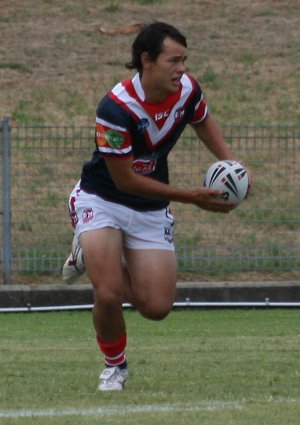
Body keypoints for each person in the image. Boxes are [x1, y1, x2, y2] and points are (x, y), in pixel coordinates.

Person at [63, 21, 250, 391]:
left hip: (149, 208)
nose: (181, 68)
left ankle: (92, 255)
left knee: (156, 306)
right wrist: (192, 197)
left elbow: (202, 120)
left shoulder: (187, 90)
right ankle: (114, 366)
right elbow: (125, 180)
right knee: (109, 291)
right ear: (146, 60)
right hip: (103, 199)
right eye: (174, 60)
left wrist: (233, 165)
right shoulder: (114, 109)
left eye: (184, 60)